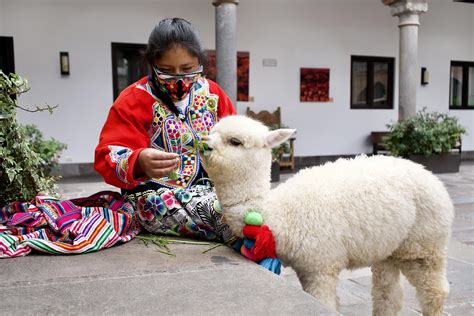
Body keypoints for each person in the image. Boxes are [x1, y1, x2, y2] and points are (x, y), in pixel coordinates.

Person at [94, 18, 236, 242]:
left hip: (212, 194)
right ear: (152, 64)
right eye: (167, 71)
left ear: (199, 61)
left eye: (187, 69)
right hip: (156, 202)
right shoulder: (133, 99)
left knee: (255, 212)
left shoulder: (213, 94)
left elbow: (235, 136)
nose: (178, 79)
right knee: (231, 219)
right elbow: (108, 155)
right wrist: (138, 161)